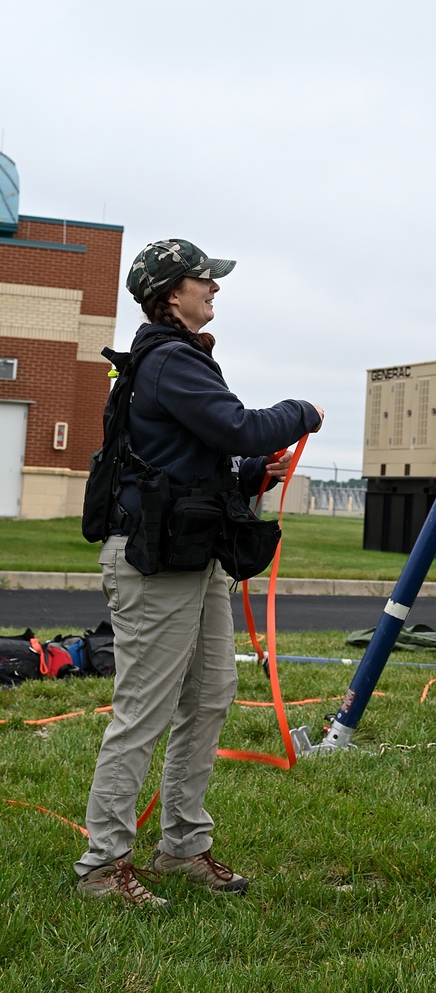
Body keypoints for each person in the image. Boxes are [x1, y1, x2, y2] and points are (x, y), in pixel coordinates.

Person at [75, 239, 324, 906]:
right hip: (153, 562)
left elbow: (201, 456)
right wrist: (303, 412)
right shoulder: (169, 361)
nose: (215, 288)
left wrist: (251, 473)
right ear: (170, 292)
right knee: (143, 710)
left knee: (212, 691)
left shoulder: (184, 361)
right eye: (203, 279)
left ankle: (182, 845)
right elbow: (237, 424)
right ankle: (103, 864)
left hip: (193, 553)